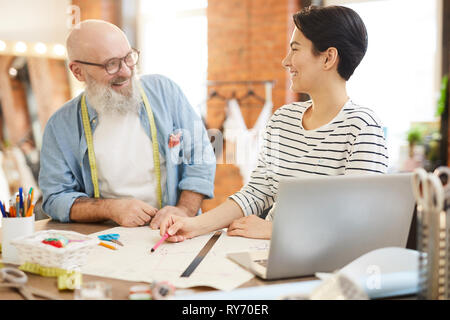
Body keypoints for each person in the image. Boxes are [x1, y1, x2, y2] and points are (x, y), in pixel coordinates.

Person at [159, 5, 388, 241]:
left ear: (328, 57)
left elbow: (359, 221)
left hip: (323, 265)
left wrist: (278, 231)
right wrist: (194, 225)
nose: (285, 61)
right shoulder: (282, 119)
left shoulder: (363, 127)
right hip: (268, 255)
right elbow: (257, 191)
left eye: (295, 49)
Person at [39, 20, 215, 227]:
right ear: (77, 71)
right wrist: (111, 208)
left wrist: (184, 209)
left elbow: (200, 156)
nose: (125, 71)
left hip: (172, 229)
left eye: (128, 57)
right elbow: (55, 198)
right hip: (106, 237)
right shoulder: (60, 126)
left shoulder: (164, 92)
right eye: (111, 64)